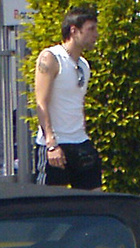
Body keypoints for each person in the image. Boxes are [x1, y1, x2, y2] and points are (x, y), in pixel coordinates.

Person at [34, 6, 101, 190]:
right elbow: (41, 102)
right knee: (52, 207)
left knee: (94, 201)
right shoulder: (51, 58)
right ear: (74, 30)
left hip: (80, 141)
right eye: (90, 29)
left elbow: (77, 104)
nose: (95, 35)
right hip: (56, 144)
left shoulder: (84, 65)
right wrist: (51, 144)